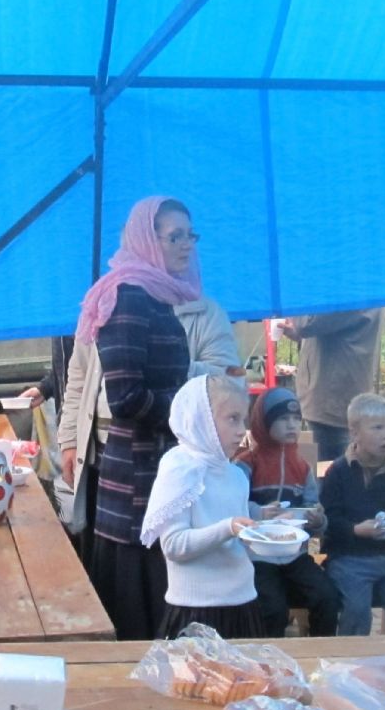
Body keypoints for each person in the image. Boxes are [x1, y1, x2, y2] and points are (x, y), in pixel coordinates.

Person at [77, 196, 199, 640]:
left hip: (160, 464)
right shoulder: (127, 297)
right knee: (139, 610)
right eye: (174, 236)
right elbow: (125, 398)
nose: (186, 245)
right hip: (136, 477)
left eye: (190, 235)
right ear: (147, 239)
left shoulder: (158, 295)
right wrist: (190, 406)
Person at [140, 375, 262, 639]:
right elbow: (173, 545)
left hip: (242, 603)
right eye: (232, 419)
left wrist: (264, 538)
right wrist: (228, 528)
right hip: (196, 610)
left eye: (243, 419)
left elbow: (239, 542)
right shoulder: (181, 469)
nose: (242, 430)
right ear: (201, 419)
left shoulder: (236, 475)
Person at [234, 388, 339, 638]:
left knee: (327, 597)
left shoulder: (302, 467)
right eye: (283, 419)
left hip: (295, 555)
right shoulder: (246, 464)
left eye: (296, 419)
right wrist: (259, 512)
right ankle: (271, 658)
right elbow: (233, 506)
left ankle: (320, 652)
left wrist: (317, 520)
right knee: (273, 609)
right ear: (263, 423)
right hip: (257, 557)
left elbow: (313, 508)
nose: (292, 425)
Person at [320, 393, 385, 636]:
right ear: (354, 433)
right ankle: (353, 655)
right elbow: (328, 522)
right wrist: (355, 530)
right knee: (356, 610)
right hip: (348, 559)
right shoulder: (338, 472)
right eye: (377, 428)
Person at [282, 309, 383, 462]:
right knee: (322, 467)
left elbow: (308, 323)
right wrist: (299, 334)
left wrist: (299, 321)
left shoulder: (345, 294)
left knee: (328, 471)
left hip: (333, 404)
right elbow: (325, 327)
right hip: (330, 400)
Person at [56, 338, 108, 564]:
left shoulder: (202, 320)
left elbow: (215, 377)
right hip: (96, 458)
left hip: (152, 459)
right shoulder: (91, 321)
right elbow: (77, 382)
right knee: (97, 550)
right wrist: (69, 441)